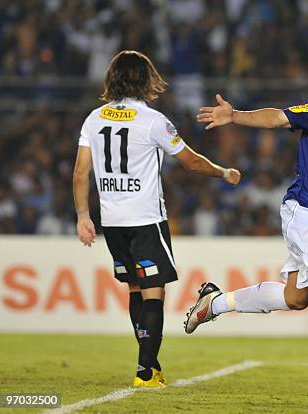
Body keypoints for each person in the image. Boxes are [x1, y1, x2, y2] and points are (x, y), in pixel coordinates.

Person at [184, 37, 308, 403]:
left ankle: (215, 303)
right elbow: (279, 117)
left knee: (295, 299)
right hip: (307, 211)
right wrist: (234, 116)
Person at [73, 50, 241, 388]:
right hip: (145, 218)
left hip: (113, 221)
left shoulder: (94, 118)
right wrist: (224, 172)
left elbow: (80, 172)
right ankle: (146, 370)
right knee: (153, 292)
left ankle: (148, 365)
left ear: (113, 80)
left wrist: (82, 216)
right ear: (146, 80)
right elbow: (191, 162)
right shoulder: (151, 120)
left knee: (136, 288)